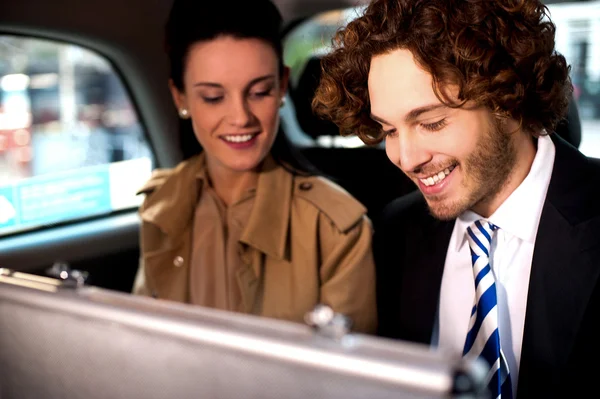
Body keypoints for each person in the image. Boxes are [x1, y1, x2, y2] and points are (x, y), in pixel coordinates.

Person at [313, 0, 600, 396]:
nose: (406, 159)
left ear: (508, 101)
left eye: (431, 123)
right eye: (389, 131)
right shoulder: (394, 232)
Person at [131, 0, 377, 334]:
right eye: (213, 97)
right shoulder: (160, 203)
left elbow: (347, 379)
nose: (241, 117)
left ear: (281, 87)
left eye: (259, 91)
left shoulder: (336, 230)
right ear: (180, 98)